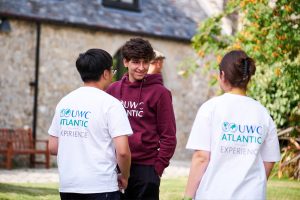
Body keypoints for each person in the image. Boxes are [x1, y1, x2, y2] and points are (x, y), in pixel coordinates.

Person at [184, 50, 281, 200]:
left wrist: (188, 196)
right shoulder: (263, 113)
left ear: (222, 75)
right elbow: (269, 160)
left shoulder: (210, 108)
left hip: (213, 194)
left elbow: (201, 157)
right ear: (248, 77)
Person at [48, 49, 132, 200]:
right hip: (101, 186)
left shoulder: (64, 102)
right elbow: (123, 151)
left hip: (68, 186)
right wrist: (124, 176)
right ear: (106, 73)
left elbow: (53, 147)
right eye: (112, 71)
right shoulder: (111, 104)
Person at [106, 38, 177, 200]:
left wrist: (157, 169)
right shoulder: (113, 90)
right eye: (136, 62)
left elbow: (169, 135)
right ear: (125, 62)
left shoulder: (161, 93)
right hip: (114, 166)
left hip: (146, 169)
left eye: (145, 62)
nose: (141, 67)